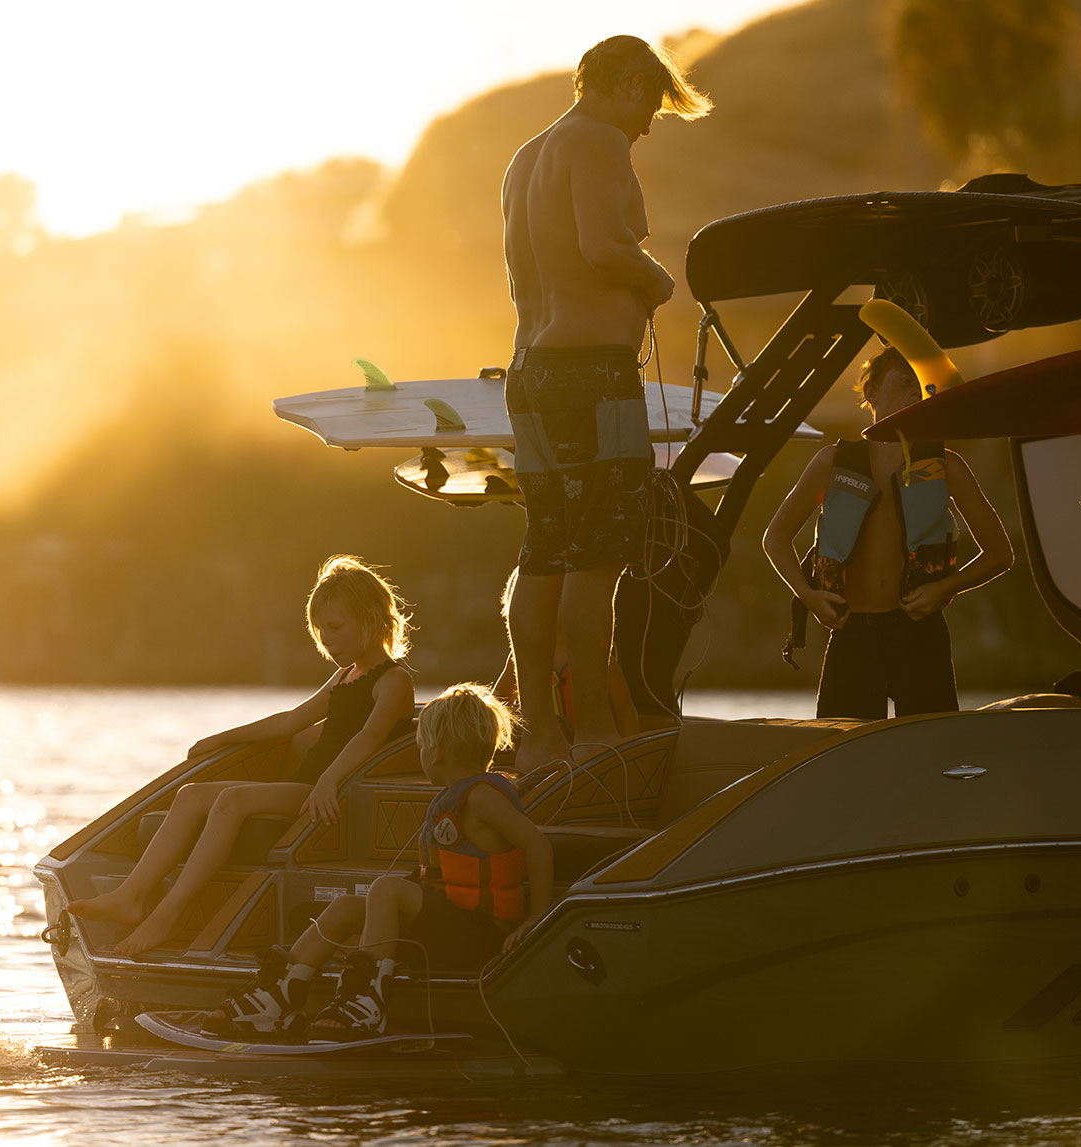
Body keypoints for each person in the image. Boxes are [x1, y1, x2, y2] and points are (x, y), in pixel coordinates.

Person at [501, 35, 711, 774]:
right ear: (623, 84)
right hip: (591, 375)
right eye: (650, 105)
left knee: (546, 550)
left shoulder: (526, 157)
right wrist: (657, 281)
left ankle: (536, 736)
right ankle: (592, 731)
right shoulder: (595, 141)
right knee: (599, 559)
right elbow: (599, 246)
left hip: (532, 374)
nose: (649, 125)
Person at [67, 555, 415, 955]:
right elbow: (290, 721)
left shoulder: (394, 681)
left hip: (333, 795)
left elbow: (369, 738)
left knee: (233, 800)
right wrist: (221, 738)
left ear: (372, 619)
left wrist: (328, 781)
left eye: (335, 628)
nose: (327, 640)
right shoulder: (344, 676)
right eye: (320, 631)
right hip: (310, 784)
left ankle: (166, 917)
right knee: (192, 794)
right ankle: (131, 895)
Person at [211, 683, 554, 1040]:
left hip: (479, 932)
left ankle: (365, 1002)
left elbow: (538, 845)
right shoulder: (460, 797)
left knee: (387, 889)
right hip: (450, 921)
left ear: (434, 753)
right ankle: (278, 993)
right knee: (345, 907)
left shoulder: (482, 797)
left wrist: (536, 918)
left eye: (421, 748)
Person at [763, 346, 1014, 719]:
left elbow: (1000, 553)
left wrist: (943, 588)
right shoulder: (832, 462)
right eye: (903, 382)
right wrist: (810, 596)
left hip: (919, 633)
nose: (915, 391)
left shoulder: (946, 466)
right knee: (841, 754)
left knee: (933, 753)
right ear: (872, 394)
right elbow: (775, 537)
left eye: (919, 385)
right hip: (853, 635)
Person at [493, 567, 640, 747]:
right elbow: (497, 705)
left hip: (592, 748)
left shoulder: (596, 654)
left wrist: (628, 751)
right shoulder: (521, 657)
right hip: (546, 748)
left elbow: (624, 710)